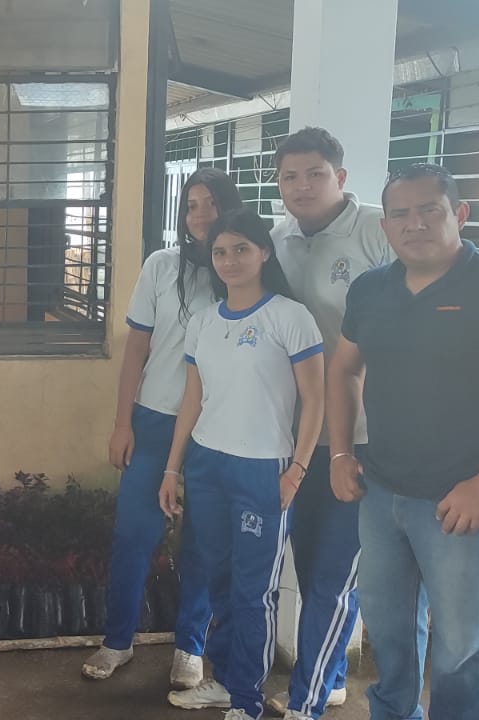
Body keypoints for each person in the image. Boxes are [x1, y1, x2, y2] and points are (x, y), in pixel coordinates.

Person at [329, 163, 479, 720]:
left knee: (463, 651)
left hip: (468, 507)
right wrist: (340, 451)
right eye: (400, 214)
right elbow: (343, 368)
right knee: (388, 633)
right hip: (381, 494)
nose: (414, 224)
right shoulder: (371, 290)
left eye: (429, 210)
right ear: (385, 227)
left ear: (459, 214)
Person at [160, 209, 325, 720]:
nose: (229, 260)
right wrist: (172, 468)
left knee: (254, 591)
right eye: (220, 252)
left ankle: (248, 702)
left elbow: (315, 400)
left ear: (264, 252)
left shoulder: (290, 316)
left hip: (262, 469)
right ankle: (227, 681)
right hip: (207, 464)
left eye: (241, 249)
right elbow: (193, 399)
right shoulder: (205, 321)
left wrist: (297, 470)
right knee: (217, 581)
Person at [81, 168, 241, 688]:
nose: (200, 214)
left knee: (202, 542)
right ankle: (117, 641)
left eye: (211, 203)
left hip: (215, 428)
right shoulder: (161, 265)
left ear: (230, 208)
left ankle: (189, 647)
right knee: (134, 534)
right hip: (153, 419)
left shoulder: (240, 270)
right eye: (191, 205)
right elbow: (136, 349)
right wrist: (122, 422)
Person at [264, 127, 392, 719]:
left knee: (335, 575)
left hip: (361, 436)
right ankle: (331, 676)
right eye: (289, 176)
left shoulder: (377, 231)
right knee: (311, 562)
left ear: (340, 177)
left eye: (315, 174)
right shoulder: (277, 239)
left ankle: (306, 701)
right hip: (298, 436)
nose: (302, 186)